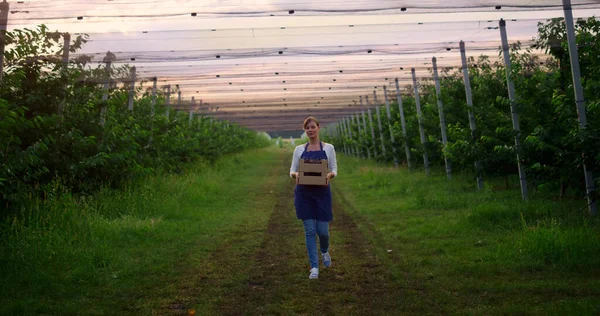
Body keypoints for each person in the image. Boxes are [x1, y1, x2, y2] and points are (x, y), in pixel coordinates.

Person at [290, 116, 338, 279]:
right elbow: (292, 170)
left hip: (322, 193)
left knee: (322, 231)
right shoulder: (298, 150)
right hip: (304, 193)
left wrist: (329, 175)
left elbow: (334, 169)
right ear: (305, 131)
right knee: (310, 230)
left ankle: (324, 251)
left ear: (318, 127)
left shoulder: (329, 148)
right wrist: (296, 175)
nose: (310, 130)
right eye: (307, 128)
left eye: (312, 127)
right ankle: (314, 267)